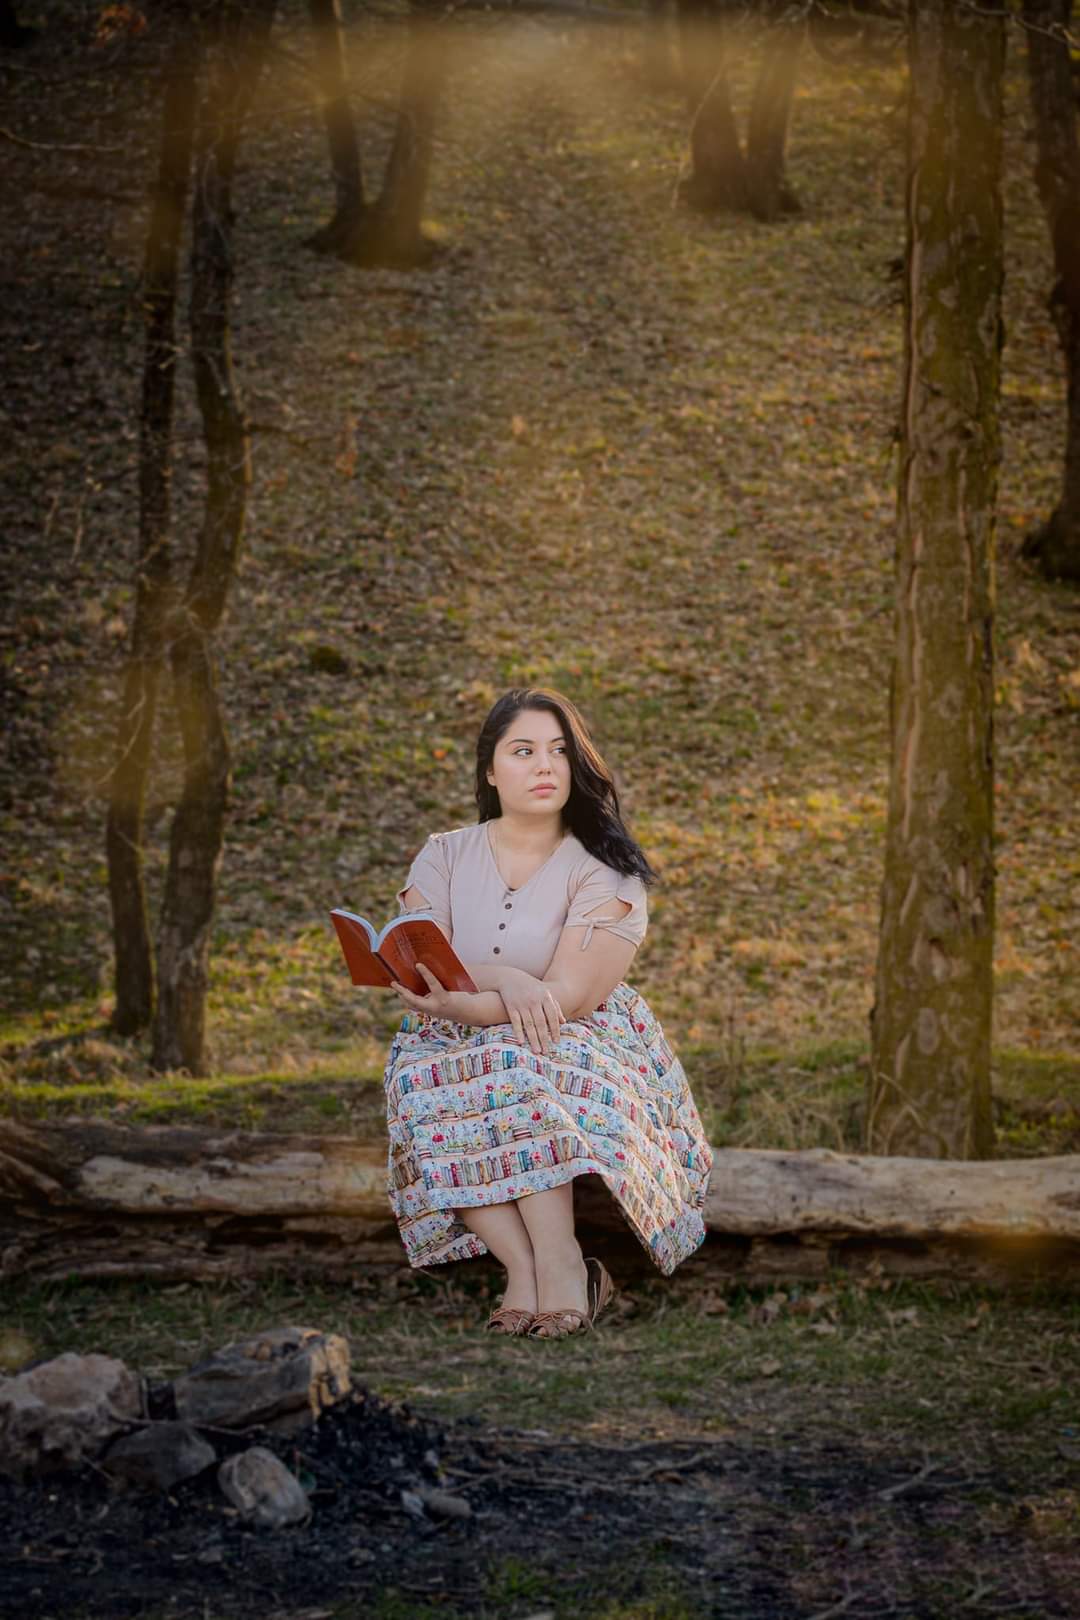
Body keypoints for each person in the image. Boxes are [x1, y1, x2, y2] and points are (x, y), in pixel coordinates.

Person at [382, 687, 712, 1339]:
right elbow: (417, 960)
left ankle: (560, 1263)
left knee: (513, 1067)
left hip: (575, 1035)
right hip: (445, 1033)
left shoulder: (605, 869)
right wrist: (504, 979)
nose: (544, 766)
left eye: (559, 751)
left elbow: (567, 995)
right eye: (523, 751)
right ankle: (528, 1268)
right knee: (426, 1086)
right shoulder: (444, 854)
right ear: (490, 768)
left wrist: (479, 995)